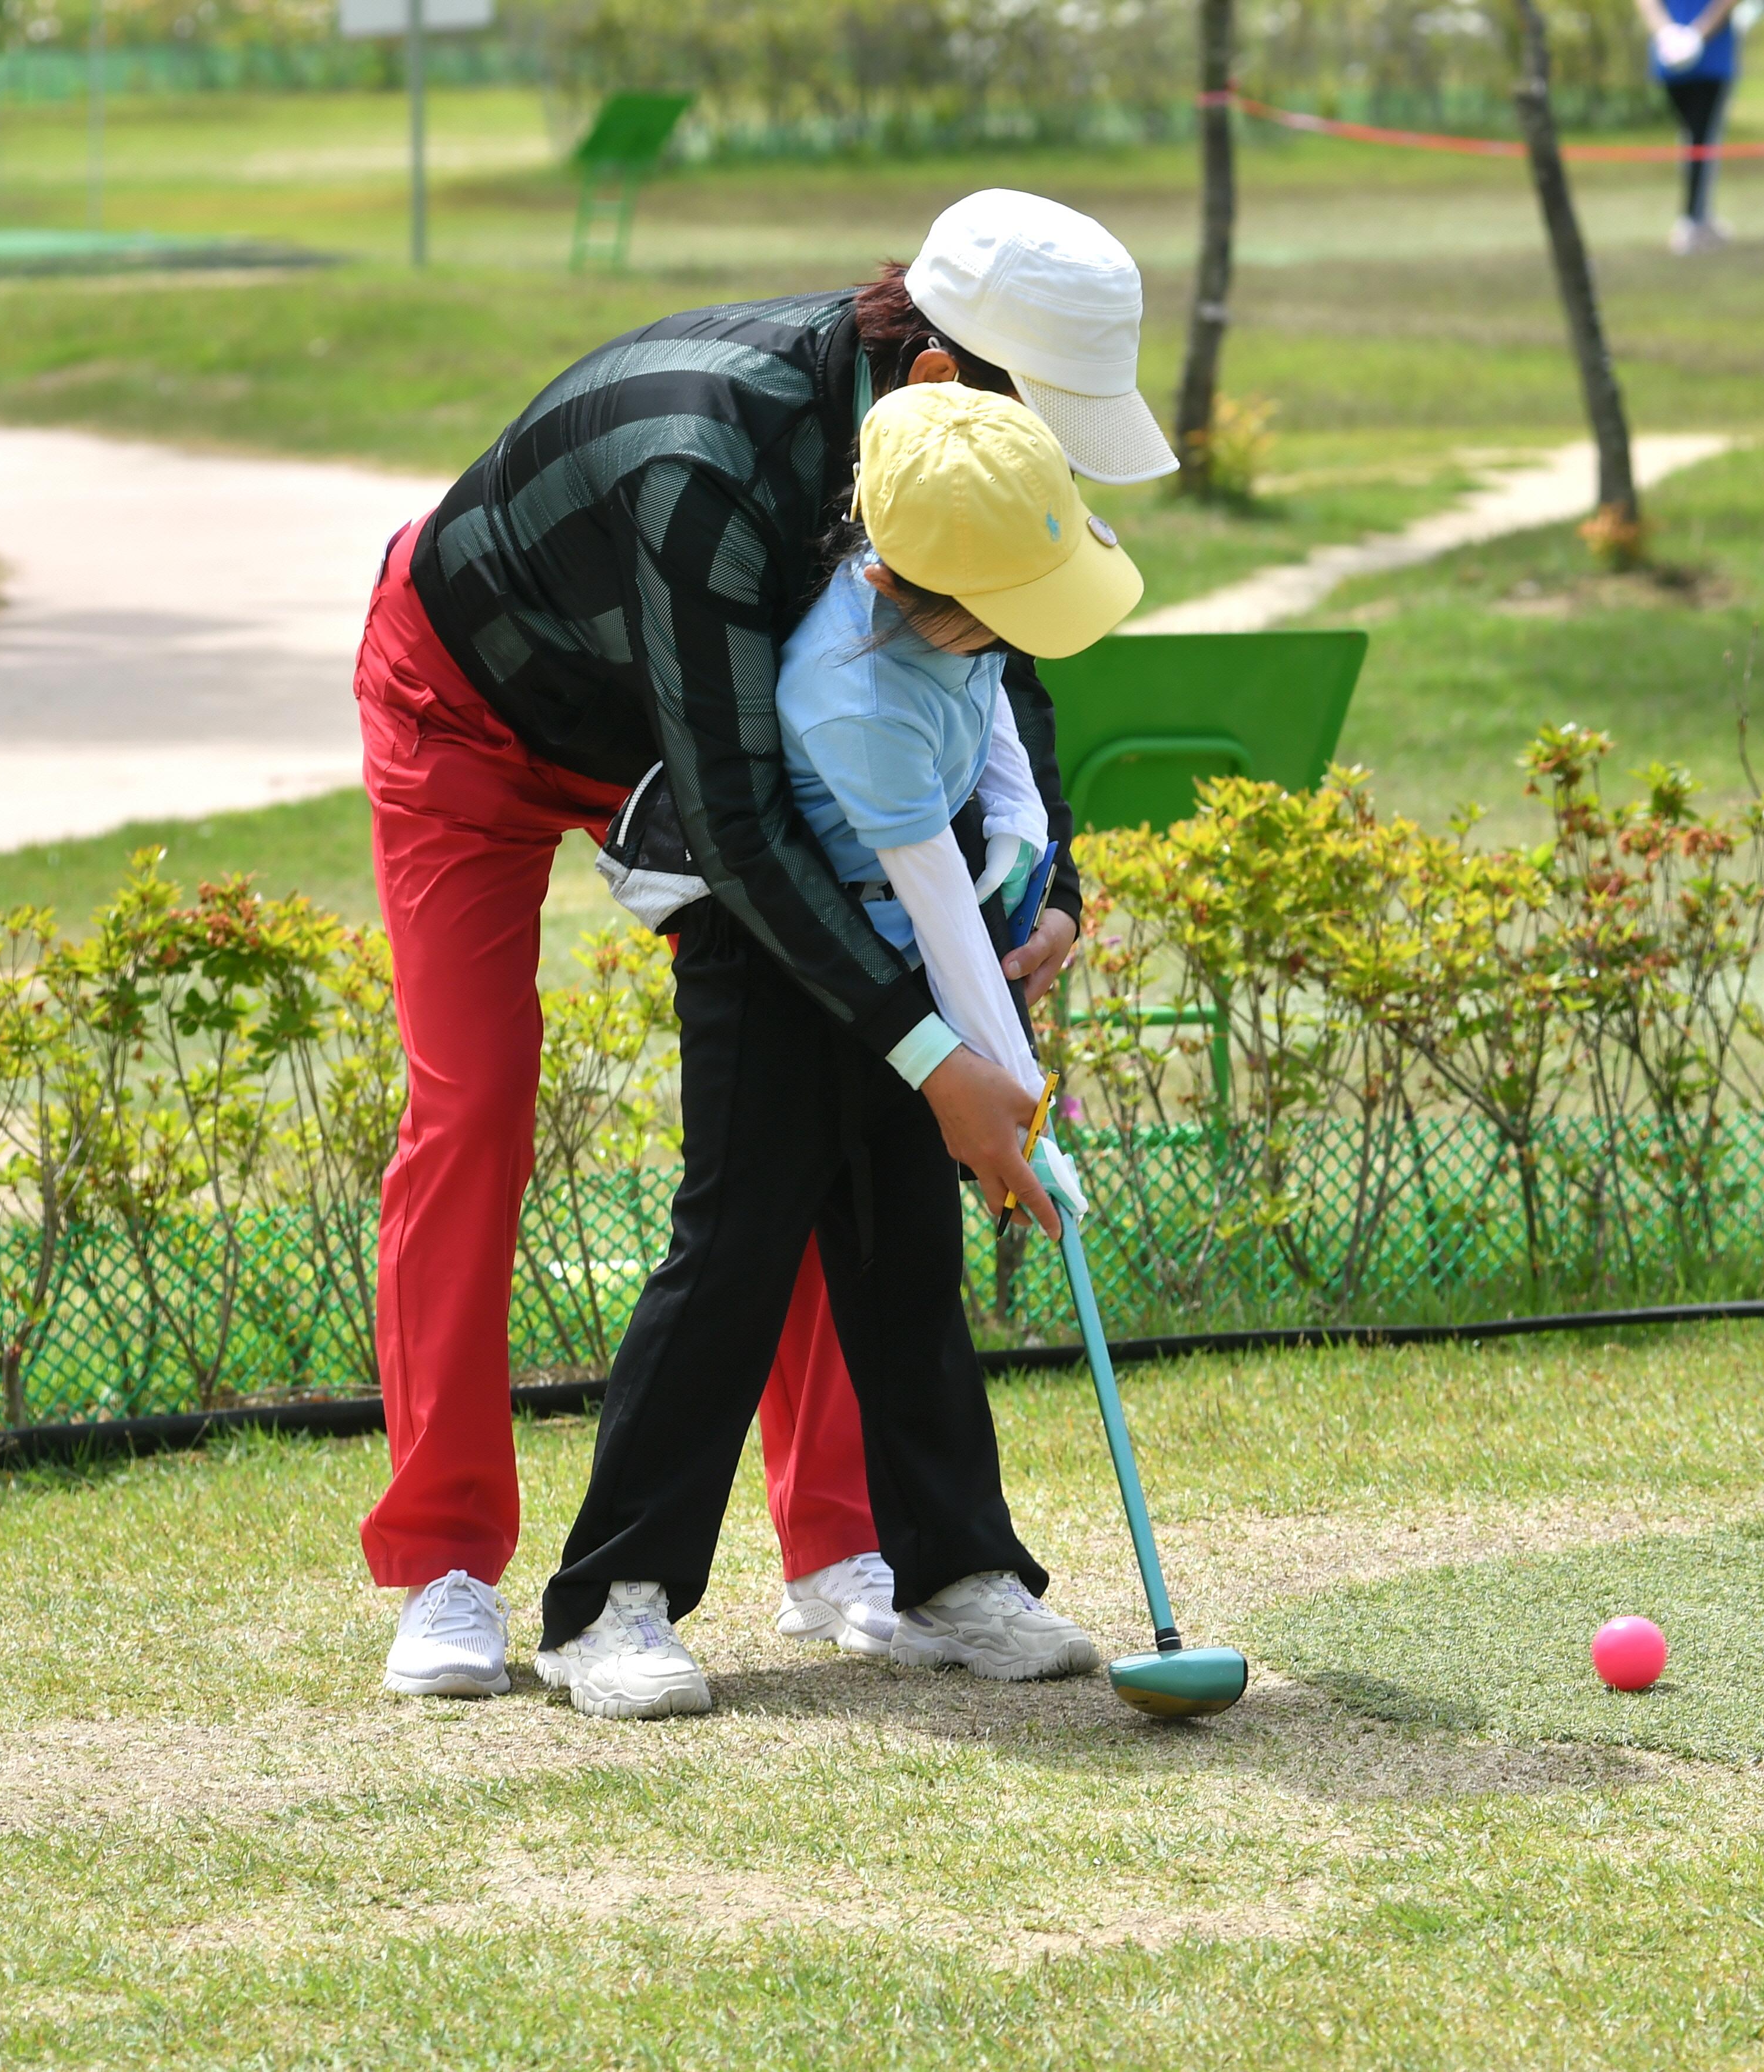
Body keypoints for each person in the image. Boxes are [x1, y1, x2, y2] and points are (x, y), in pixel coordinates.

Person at [363, 188, 1177, 1701]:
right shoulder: (715, 459)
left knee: (830, 1113)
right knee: (476, 1105)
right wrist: (941, 1049)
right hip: (475, 701)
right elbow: (736, 816)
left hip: (715, 730)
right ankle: (451, 1564)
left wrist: (1051, 869)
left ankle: (861, 1552)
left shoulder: (949, 474)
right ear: (939, 378)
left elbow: (1012, 637)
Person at [533, 381, 1134, 1721]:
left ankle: (956, 1568)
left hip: (907, 955)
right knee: (736, 1258)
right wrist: (1004, 1091)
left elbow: (1004, 755)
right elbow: (928, 902)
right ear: (934, 588)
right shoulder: (850, 690)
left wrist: (1043, 883)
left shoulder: (960, 624)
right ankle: (607, 1601)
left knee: (905, 1257)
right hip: (783, 959)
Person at [1637, 0, 1745, 254]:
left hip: (1712, 59)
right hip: (1672, 59)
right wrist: (1666, 33)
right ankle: (1691, 221)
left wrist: (1698, 34)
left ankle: (1698, 217)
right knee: (1696, 140)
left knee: (1700, 139)